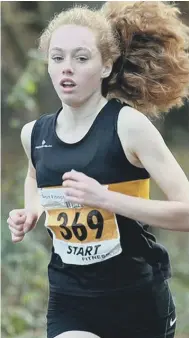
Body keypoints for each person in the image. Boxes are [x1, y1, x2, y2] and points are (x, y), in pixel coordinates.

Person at [7, 2, 189, 338]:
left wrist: (106, 199)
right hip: (70, 300)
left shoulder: (128, 127)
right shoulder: (34, 134)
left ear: (106, 66)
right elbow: (36, 176)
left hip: (136, 302)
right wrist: (31, 210)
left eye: (81, 58)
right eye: (58, 57)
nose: (67, 69)